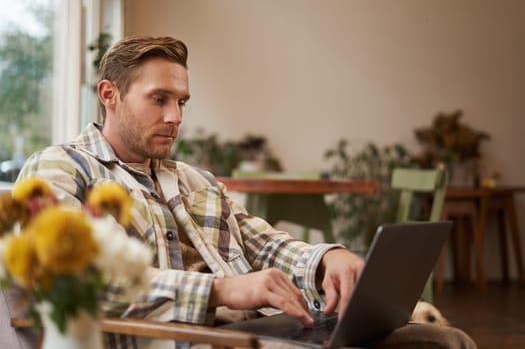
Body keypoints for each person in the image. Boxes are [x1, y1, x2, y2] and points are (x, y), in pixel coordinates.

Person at [17, 36, 476, 349]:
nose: (175, 116)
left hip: (266, 334)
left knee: (443, 341)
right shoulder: (61, 168)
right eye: (160, 99)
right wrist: (220, 290)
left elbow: (267, 243)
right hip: (187, 340)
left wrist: (327, 259)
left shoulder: (197, 181)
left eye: (182, 102)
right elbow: (71, 282)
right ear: (109, 95)